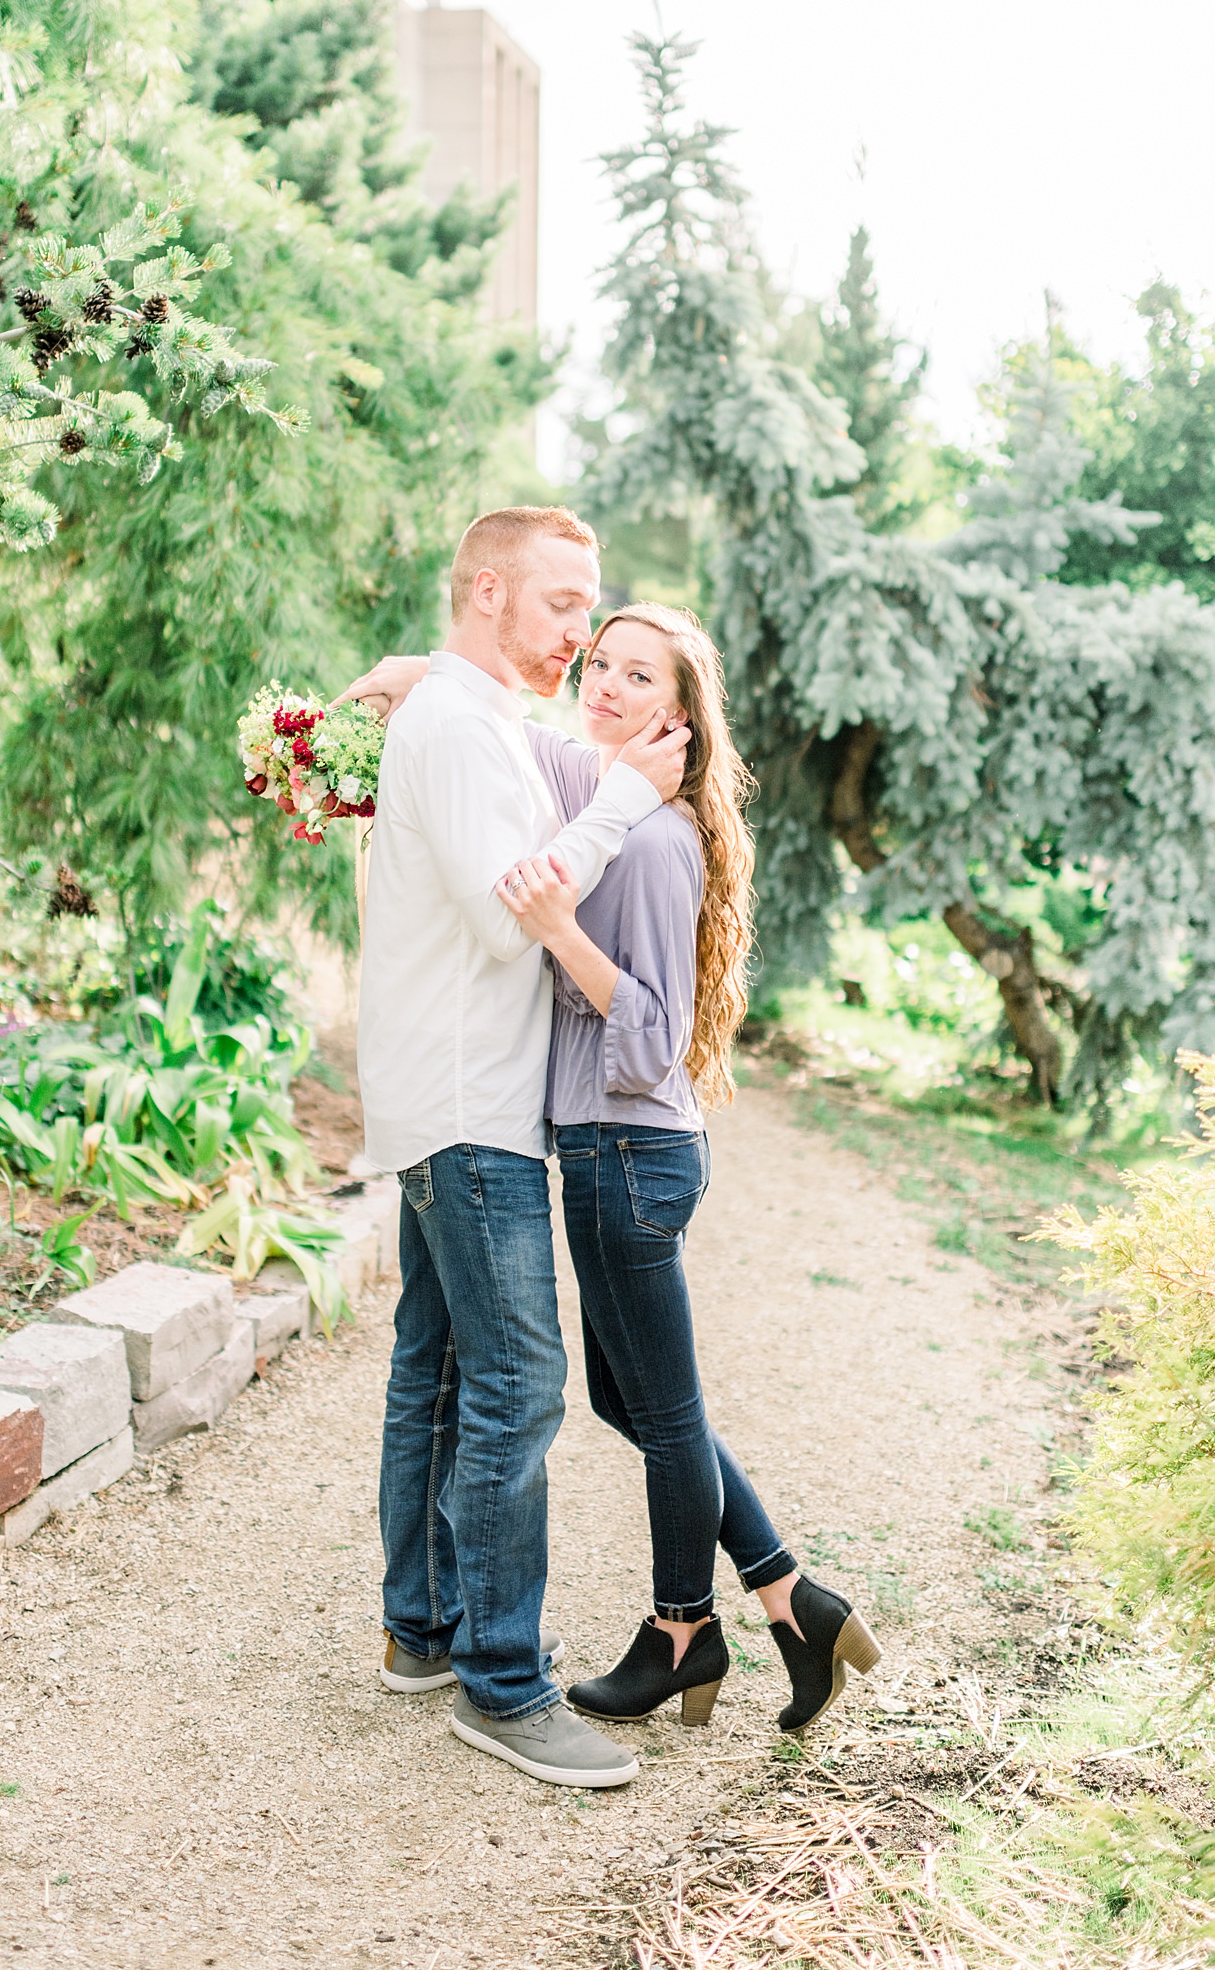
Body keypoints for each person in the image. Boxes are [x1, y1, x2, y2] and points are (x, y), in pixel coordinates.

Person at [358, 605, 880, 1736]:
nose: (601, 683)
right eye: (599, 663)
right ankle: (792, 1598)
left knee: (664, 1409)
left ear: (677, 719)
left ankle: (686, 1632)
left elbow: (650, 1038)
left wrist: (558, 929)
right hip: (611, 1151)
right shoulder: (608, 784)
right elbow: (508, 738)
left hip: (627, 1149)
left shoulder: (648, 840)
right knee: (631, 1397)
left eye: (636, 674)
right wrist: (420, 671)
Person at [354, 507, 691, 1791]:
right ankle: (503, 1684)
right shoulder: (455, 726)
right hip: (472, 1106)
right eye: (561, 606)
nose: (578, 634)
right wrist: (625, 801)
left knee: (438, 1371)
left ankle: (422, 1632)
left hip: (457, 1098)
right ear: (488, 591)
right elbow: (517, 921)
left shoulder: (469, 715)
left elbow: (516, 819)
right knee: (520, 1385)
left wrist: (420, 668)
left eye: (590, 607)